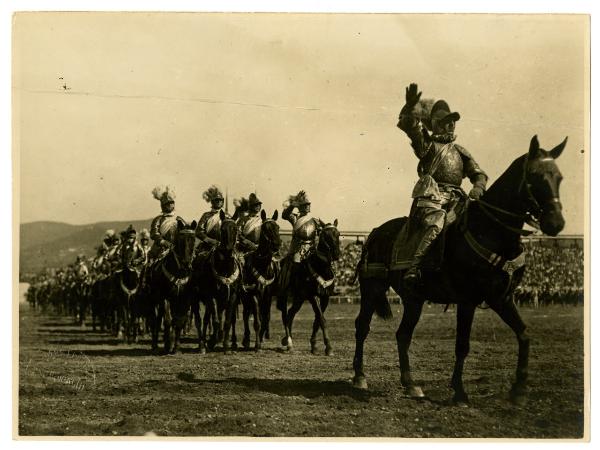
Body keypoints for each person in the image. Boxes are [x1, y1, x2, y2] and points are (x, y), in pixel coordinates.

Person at [397, 83, 488, 288]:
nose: (451, 125)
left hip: (458, 199)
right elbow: (412, 129)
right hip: (432, 199)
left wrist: (478, 187)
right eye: (447, 121)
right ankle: (415, 266)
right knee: (438, 222)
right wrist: (411, 108)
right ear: (437, 124)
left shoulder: (461, 151)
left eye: (453, 122)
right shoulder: (428, 146)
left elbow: (479, 173)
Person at [279, 190, 323, 294]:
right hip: (297, 249)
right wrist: (292, 205)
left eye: (308, 204)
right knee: (294, 267)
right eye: (305, 205)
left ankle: (324, 287)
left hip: (311, 249)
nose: (308, 206)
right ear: (300, 207)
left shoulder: (315, 220)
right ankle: (292, 288)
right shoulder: (294, 218)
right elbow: (284, 215)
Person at [148, 185, 182, 261]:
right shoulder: (158, 219)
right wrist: (164, 242)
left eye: (171, 203)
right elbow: (154, 234)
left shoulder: (179, 219)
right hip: (160, 249)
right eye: (168, 204)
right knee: (150, 267)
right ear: (163, 205)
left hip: (176, 248)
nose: (170, 205)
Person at [195, 185, 230, 253]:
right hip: (207, 247)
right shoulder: (206, 215)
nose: (219, 202)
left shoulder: (228, 216)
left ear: (222, 202)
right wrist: (210, 240)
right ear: (212, 202)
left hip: (224, 247)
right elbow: (199, 232)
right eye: (216, 200)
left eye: (220, 200)